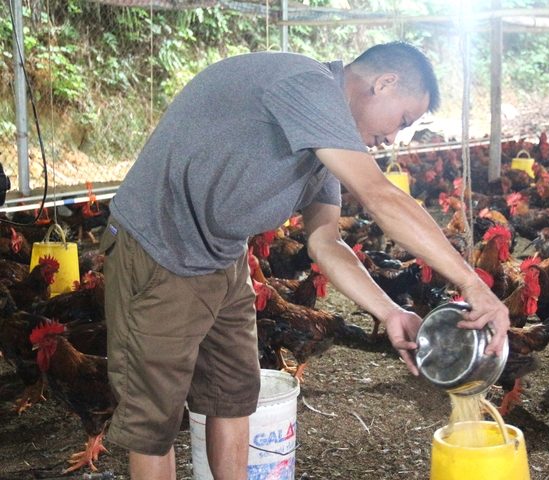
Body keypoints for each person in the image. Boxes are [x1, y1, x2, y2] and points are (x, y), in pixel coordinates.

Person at [100, 41, 510, 480]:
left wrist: (390, 312)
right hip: (161, 250)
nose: (394, 137)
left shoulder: (325, 139)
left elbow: (326, 243)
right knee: (154, 421)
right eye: (403, 121)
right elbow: (379, 194)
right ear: (384, 83)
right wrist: (472, 284)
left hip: (224, 256)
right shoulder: (307, 86)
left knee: (233, 394)